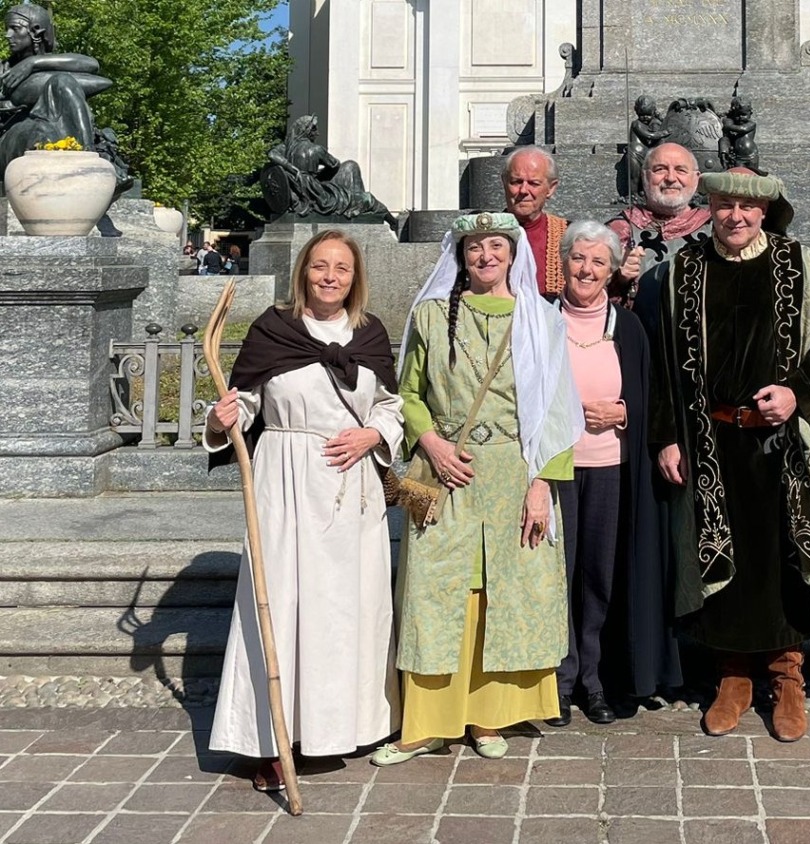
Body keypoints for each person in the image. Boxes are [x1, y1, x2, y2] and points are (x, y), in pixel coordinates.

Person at [375, 212, 584, 764]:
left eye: (496, 245)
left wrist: (542, 486)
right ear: (461, 255)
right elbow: (407, 393)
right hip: (447, 473)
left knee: (503, 593)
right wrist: (432, 443)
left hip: (515, 473)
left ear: (513, 254)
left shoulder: (541, 319)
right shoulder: (429, 315)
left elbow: (557, 409)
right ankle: (426, 724)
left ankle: (489, 716)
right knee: (437, 591)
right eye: (474, 246)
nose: (486, 255)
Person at [650, 168, 810, 742]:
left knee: (780, 553)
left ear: (765, 212)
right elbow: (663, 361)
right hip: (709, 439)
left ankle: (788, 675)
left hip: (778, 440)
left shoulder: (796, 263)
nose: (734, 216)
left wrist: (796, 393)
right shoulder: (684, 269)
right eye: (723, 204)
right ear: (709, 208)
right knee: (722, 553)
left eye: (746, 206)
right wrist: (665, 436)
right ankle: (733, 675)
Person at [203, 230, 404, 792]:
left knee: (344, 610)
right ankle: (273, 739)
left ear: (355, 277)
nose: (330, 276)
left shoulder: (369, 333)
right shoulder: (274, 329)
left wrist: (372, 434)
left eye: (342, 268)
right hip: (285, 485)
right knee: (283, 606)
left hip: (350, 490)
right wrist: (223, 418)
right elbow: (246, 403)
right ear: (303, 273)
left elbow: (391, 406)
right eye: (320, 266)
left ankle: (340, 727)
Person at [545, 221, 680, 728]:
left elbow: (650, 394)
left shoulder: (628, 327)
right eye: (578, 258)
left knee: (600, 576)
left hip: (610, 468)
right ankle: (557, 682)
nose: (586, 270)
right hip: (554, 469)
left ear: (612, 271)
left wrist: (623, 412)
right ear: (563, 263)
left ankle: (594, 680)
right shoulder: (542, 319)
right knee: (558, 575)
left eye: (598, 262)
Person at [0, 4, 111, 175]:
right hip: (9, 139)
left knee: (62, 82)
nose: (8, 35)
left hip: (49, 128)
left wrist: (33, 63)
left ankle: (88, 158)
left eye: (15, 28)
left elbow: (91, 65)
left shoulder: (51, 67)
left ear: (36, 32)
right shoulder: (3, 69)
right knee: (44, 132)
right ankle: (89, 165)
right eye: (7, 29)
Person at [606, 142, 712, 317]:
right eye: (660, 169)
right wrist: (619, 278)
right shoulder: (617, 231)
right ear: (644, 176)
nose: (671, 178)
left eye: (681, 170)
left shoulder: (715, 229)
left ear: (696, 178)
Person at [502, 147, 568, 300]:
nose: (523, 190)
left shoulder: (569, 235)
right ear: (504, 183)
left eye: (534, 183)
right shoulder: (481, 234)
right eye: (516, 182)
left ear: (551, 188)